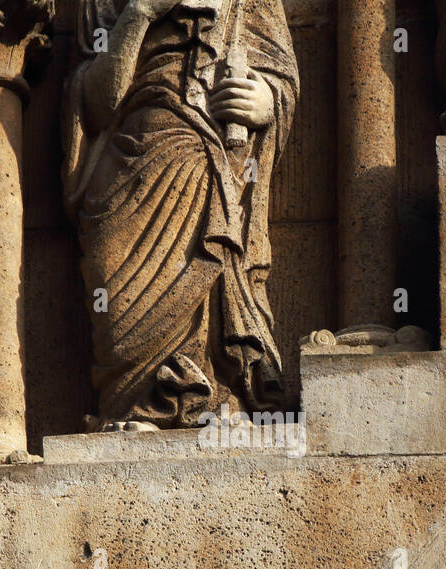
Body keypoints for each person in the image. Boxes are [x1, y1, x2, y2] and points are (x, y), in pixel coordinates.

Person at [63, 0, 298, 430]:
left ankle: (215, 397)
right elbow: (95, 102)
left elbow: (280, 77)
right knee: (118, 309)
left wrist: (266, 99)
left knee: (209, 270)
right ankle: (129, 405)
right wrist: (139, 12)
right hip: (131, 161)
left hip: (214, 159)